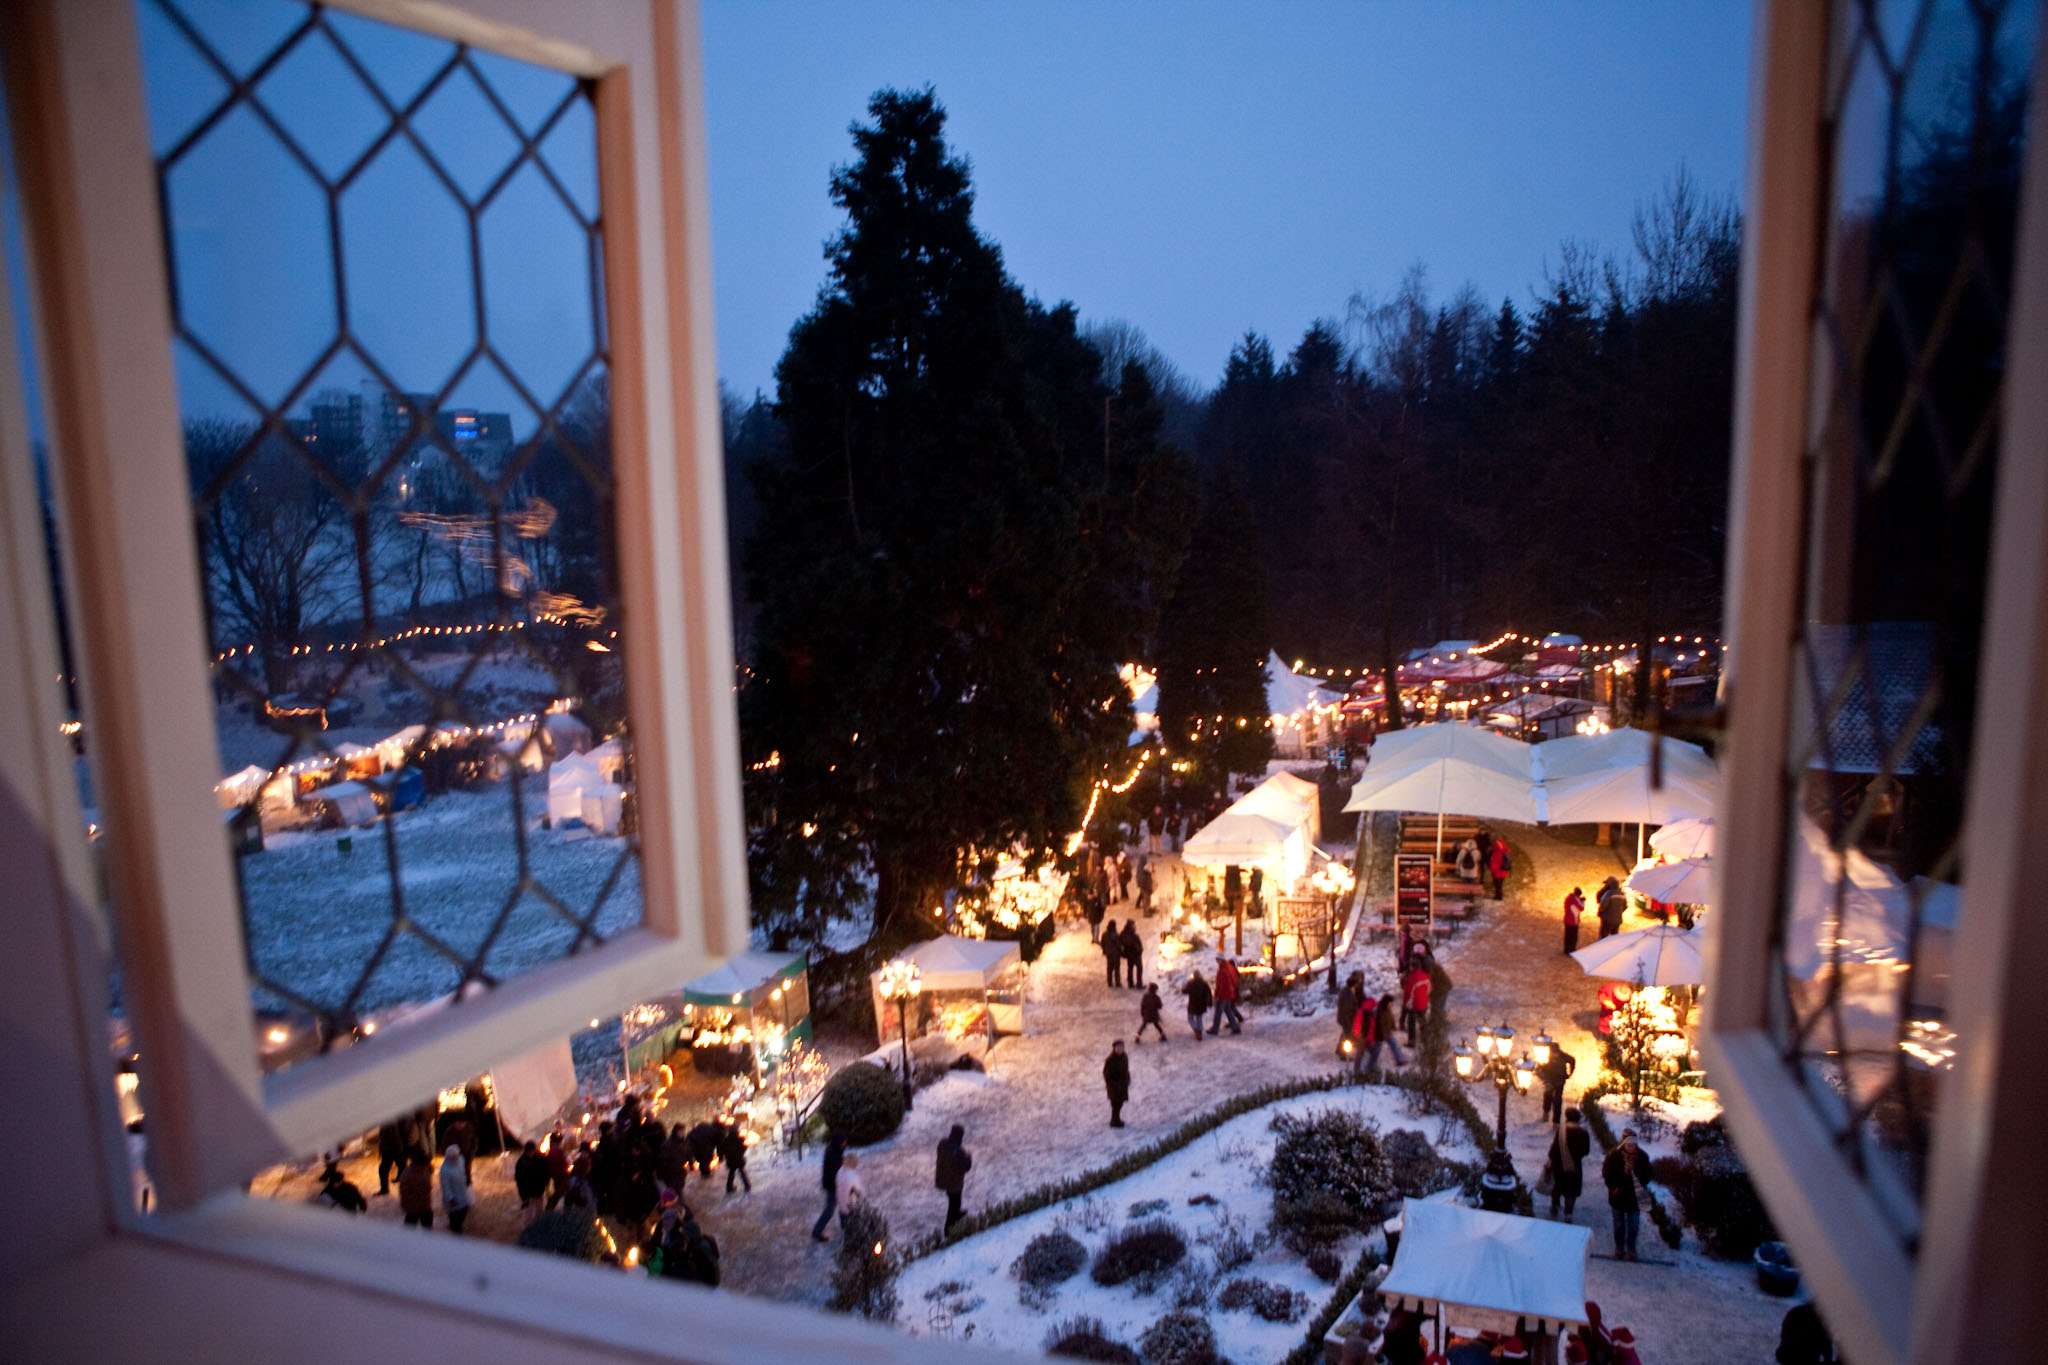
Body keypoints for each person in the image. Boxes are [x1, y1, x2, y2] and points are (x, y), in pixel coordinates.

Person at [1602, 1129, 1654, 1260]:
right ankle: (1619, 1247)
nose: (1631, 1147)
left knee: (1633, 1226)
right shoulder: (1613, 1156)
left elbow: (1648, 1175)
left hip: (1634, 1197)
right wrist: (1614, 1188)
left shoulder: (1643, 1157)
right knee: (1619, 1225)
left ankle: (1631, 1248)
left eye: (1634, 1144)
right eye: (1629, 1144)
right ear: (1623, 1144)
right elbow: (1607, 1174)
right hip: (1618, 1196)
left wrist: (1637, 1179)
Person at [1547, 1107, 1592, 1219]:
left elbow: (1553, 1151)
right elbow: (1586, 1151)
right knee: (1571, 1192)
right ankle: (1568, 1214)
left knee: (1557, 1187)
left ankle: (1555, 1206)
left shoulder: (1561, 1132)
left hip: (1559, 1166)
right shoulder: (1583, 1133)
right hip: (1575, 1167)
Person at [934, 1123, 972, 1229]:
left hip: (942, 1179)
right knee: (954, 1203)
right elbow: (967, 1167)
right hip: (954, 1183)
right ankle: (949, 1228)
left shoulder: (942, 1144)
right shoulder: (960, 1151)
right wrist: (968, 1157)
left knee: (953, 1200)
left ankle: (957, 1214)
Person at [811, 1130, 846, 1242]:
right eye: (843, 1142)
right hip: (833, 1186)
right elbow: (836, 1172)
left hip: (833, 1184)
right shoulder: (834, 1155)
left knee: (842, 1206)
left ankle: (846, 1228)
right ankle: (817, 1231)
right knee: (831, 1209)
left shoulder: (834, 1150)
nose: (845, 1144)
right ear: (838, 1142)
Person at [438, 1143, 473, 1235]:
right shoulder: (444, 1170)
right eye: (453, 1157)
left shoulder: (460, 1160)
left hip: (461, 1191)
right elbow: (445, 1186)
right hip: (453, 1196)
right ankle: (456, 1230)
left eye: (456, 1156)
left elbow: (463, 1172)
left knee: (463, 1210)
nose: (455, 1158)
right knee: (454, 1215)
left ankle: (458, 1225)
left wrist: (467, 1180)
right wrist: (450, 1198)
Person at [1366, 992, 1405, 1073]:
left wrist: (1393, 1026)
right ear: (1387, 1002)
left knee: (1394, 1045)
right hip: (1380, 1035)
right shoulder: (1379, 1011)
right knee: (1376, 1053)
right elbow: (1379, 1025)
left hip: (1387, 1032)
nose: (1392, 1004)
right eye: (1391, 1002)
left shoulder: (1387, 1009)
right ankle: (1370, 1069)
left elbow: (1390, 1018)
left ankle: (1399, 1060)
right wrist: (1383, 1035)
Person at [1539, 1043, 1577, 1124]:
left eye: (1556, 1053)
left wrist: (1570, 1073)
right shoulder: (1545, 1057)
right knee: (1547, 1096)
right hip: (1549, 1080)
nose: (1554, 1055)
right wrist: (1545, 1080)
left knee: (1557, 1100)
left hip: (1560, 1081)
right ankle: (1546, 1113)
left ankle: (1556, 1121)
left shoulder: (1563, 1056)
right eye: (1553, 1053)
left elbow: (1572, 1060)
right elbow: (1540, 1069)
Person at [513, 1139, 551, 1219]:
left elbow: (519, 1181)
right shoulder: (523, 1163)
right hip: (531, 1192)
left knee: (536, 1211)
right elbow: (520, 1181)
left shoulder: (523, 1162)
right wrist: (524, 1197)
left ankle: (537, 1225)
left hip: (536, 1191)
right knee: (530, 1213)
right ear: (531, 1150)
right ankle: (531, 1228)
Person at [834, 1151, 868, 1235]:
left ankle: (845, 1235)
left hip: (841, 1204)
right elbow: (860, 1192)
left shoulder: (840, 1171)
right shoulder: (852, 1176)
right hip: (851, 1206)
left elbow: (836, 1183)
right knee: (853, 1228)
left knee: (844, 1226)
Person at [398, 1150, 434, 1229]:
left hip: (425, 1204)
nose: (426, 1165)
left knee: (427, 1224)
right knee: (410, 1226)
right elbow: (405, 1193)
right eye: (425, 1164)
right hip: (413, 1207)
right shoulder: (407, 1175)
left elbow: (430, 1170)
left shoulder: (425, 1169)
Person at [1209, 956, 1243, 1035]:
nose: (1216, 962)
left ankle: (1215, 1029)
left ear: (1220, 960)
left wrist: (1217, 994)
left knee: (1218, 1012)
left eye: (1217, 960)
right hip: (1229, 994)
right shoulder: (1229, 968)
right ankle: (1235, 1027)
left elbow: (1221, 984)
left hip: (1223, 994)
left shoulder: (1222, 970)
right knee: (1228, 1010)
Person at [716, 1121, 751, 1194]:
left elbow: (722, 1149)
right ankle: (747, 1185)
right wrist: (741, 1153)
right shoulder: (740, 1139)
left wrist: (722, 1156)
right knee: (742, 1172)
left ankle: (729, 1187)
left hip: (730, 1160)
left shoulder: (726, 1140)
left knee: (731, 1174)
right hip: (739, 1159)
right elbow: (744, 1147)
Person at [1401, 962, 1430, 1047]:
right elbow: (1429, 988)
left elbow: (1408, 993)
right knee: (1422, 1019)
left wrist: (1405, 1003)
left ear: (1413, 967)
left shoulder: (1411, 979)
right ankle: (1426, 1038)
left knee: (1411, 1023)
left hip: (1414, 1004)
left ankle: (1412, 1041)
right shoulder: (1425, 976)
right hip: (1423, 1003)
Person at [1103, 1039, 1131, 1127]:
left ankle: (1117, 1119)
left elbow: (1126, 1069)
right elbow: (1106, 1074)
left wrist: (1128, 1078)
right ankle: (1114, 1121)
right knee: (1115, 1104)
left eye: (1121, 1047)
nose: (1120, 1049)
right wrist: (1112, 1084)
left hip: (1122, 1085)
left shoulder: (1124, 1057)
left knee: (1120, 1102)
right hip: (1114, 1087)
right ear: (1114, 1048)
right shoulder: (1110, 1060)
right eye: (1118, 1047)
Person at [1183, 970, 1213, 1041]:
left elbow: (1184, 991)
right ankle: (1200, 1032)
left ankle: (1196, 1029)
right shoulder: (1204, 983)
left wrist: (1184, 986)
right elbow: (1209, 993)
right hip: (1202, 1004)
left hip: (1192, 1004)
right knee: (1199, 1018)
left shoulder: (1190, 983)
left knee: (1190, 1018)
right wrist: (1210, 1002)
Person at [1119, 919, 1144, 988]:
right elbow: (1138, 944)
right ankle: (1139, 984)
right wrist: (1140, 950)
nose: (1134, 926)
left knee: (1130, 968)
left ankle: (1130, 984)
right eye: (1133, 925)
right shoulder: (1134, 935)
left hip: (1128, 954)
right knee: (1139, 968)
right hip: (1135, 954)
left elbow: (1120, 943)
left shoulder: (1122, 934)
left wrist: (1123, 953)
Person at [1563, 886, 1586, 955]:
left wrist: (1579, 900)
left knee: (1567, 936)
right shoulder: (1575, 899)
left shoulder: (1568, 898)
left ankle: (1566, 950)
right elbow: (1581, 908)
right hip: (1573, 921)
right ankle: (1572, 950)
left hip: (1567, 919)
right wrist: (1583, 901)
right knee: (1573, 937)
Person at [1101, 917, 1124, 986]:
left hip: (1108, 953)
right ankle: (1117, 982)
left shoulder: (1104, 934)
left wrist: (1104, 950)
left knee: (1109, 967)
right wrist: (1121, 951)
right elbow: (1118, 944)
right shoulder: (1115, 934)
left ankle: (1109, 982)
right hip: (1116, 954)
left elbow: (1102, 943)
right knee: (1116, 968)